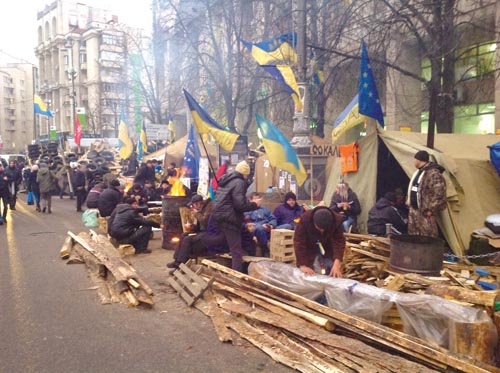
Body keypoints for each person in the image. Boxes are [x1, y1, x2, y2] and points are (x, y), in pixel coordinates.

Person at [211, 160, 260, 272]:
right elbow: (240, 205)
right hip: (230, 218)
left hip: (219, 215)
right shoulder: (239, 182)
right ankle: (236, 276)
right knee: (236, 251)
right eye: (247, 175)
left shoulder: (226, 180)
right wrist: (254, 204)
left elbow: (231, 199)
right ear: (245, 174)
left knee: (225, 242)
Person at [294, 207, 345, 277]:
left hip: (328, 244)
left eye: (324, 229)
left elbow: (339, 242)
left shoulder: (336, 220)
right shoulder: (305, 219)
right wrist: (302, 265)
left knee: (330, 267)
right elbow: (299, 242)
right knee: (309, 272)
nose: (322, 231)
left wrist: (337, 264)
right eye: (319, 228)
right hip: (309, 244)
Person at [406, 150, 447, 237]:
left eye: (415, 159)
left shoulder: (433, 174)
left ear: (419, 160)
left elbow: (439, 193)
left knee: (427, 235)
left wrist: (431, 210)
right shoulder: (419, 172)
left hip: (425, 211)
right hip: (414, 209)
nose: (414, 161)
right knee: (414, 235)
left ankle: (428, 250)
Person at [244, 192, 277, 257]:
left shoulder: (265, 209)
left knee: (287, 226)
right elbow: (248, 223)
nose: (258, 200)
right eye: (255, 199)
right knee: (259, 228)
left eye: (259, 198)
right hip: (255, 230)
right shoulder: (247, 210)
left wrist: (271, 225)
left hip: (268, 229)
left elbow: (273, 218)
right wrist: (262, 226)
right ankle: (265, 249)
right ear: (250, 200)